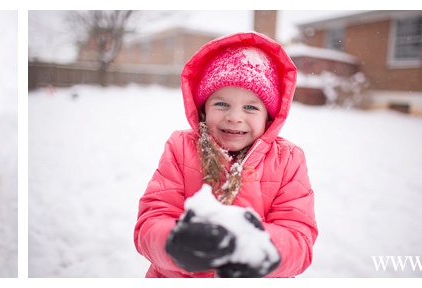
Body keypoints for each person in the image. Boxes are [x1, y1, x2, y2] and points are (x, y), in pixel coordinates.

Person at [134, 32, 318, 277]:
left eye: (250, 107)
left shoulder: (288, 160)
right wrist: (175, 243)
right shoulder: (182, 148)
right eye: (222, 104)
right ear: (203, 110)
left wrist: (261, 248)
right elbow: (151, 222)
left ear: (269, 117)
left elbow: (299, 239)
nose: (234, 116)